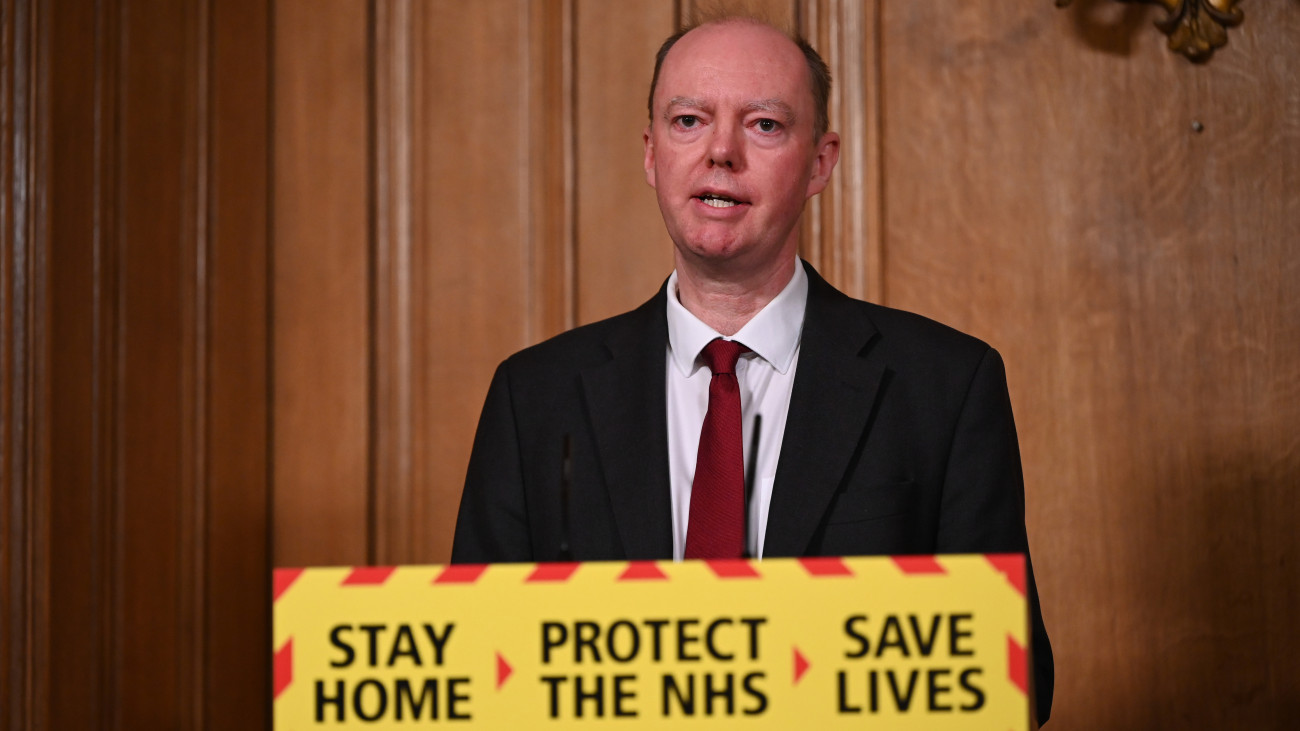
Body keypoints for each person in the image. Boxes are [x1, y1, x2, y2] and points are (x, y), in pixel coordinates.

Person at [452, 16, 1052, 723]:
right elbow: (478, 681)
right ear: (651, 154)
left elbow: (1014, 683)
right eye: (687, 120)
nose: (720, 152)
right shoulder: (535, 398)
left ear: (821, 163)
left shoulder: (946, 387)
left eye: (764, 125)